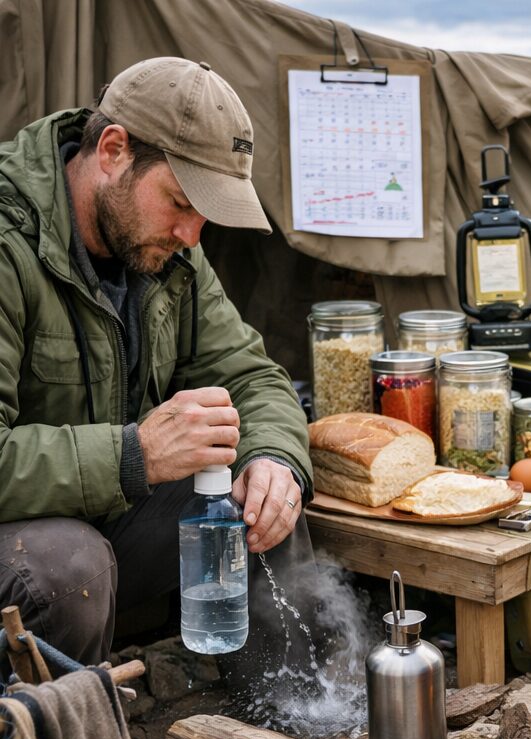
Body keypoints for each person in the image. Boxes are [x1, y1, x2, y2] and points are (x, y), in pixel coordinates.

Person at [0, 57, 316, 686]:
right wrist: (132, 455)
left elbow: (253, 376)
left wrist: (276, 459)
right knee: (67, 567)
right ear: (114, 150)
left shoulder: (169, 253)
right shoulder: (10, 245)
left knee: (255, 504)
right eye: (180, 201)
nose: (192, 234)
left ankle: (289, 728)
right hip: (29, 545)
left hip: (99, 518)